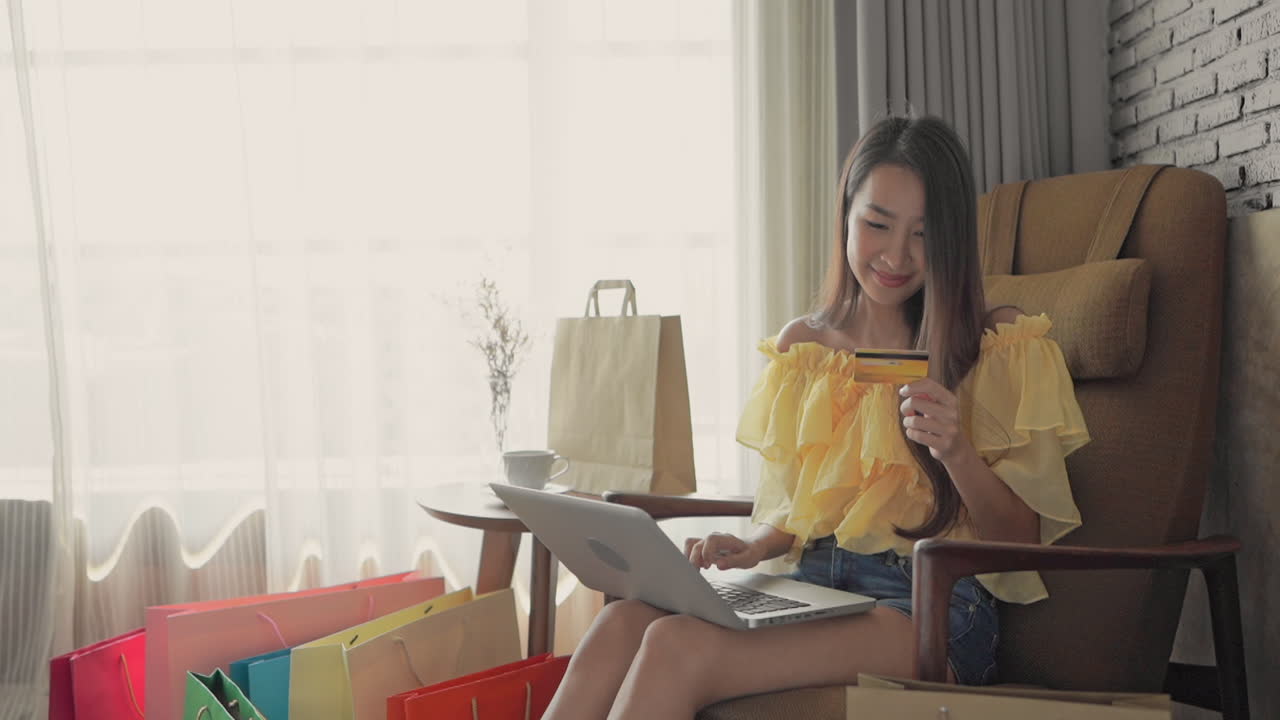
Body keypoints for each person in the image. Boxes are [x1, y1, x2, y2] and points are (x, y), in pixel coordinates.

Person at [543, 115, 1091, 720]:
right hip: (808, 590)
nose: (896, 255)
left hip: (928, 608)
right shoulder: (806, 350)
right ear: (846, 217)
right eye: (877, 224)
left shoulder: (998, 345)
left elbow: (1023, 543)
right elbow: (802, 511)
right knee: (622, 623)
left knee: (677, 646)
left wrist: (956, 450)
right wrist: (751, 547)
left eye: (923, 233)